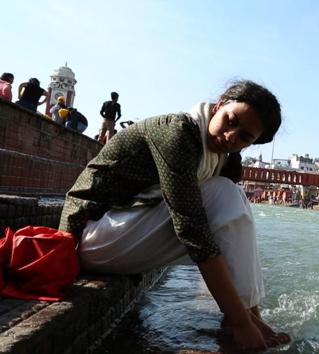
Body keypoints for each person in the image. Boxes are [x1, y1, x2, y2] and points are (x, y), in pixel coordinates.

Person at [58, 80, 289, 350]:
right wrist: (241, 323)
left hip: (123, 233)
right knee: (222, 195)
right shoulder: (177, 133)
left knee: (230, 195)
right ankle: (238, 319)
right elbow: (191, 229)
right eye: (231, 121)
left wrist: (248, 317)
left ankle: (249, 313)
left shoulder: (223, 157)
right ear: (220, 103)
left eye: (244, 137)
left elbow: (229, 233)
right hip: (89, 237)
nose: (230, 136)